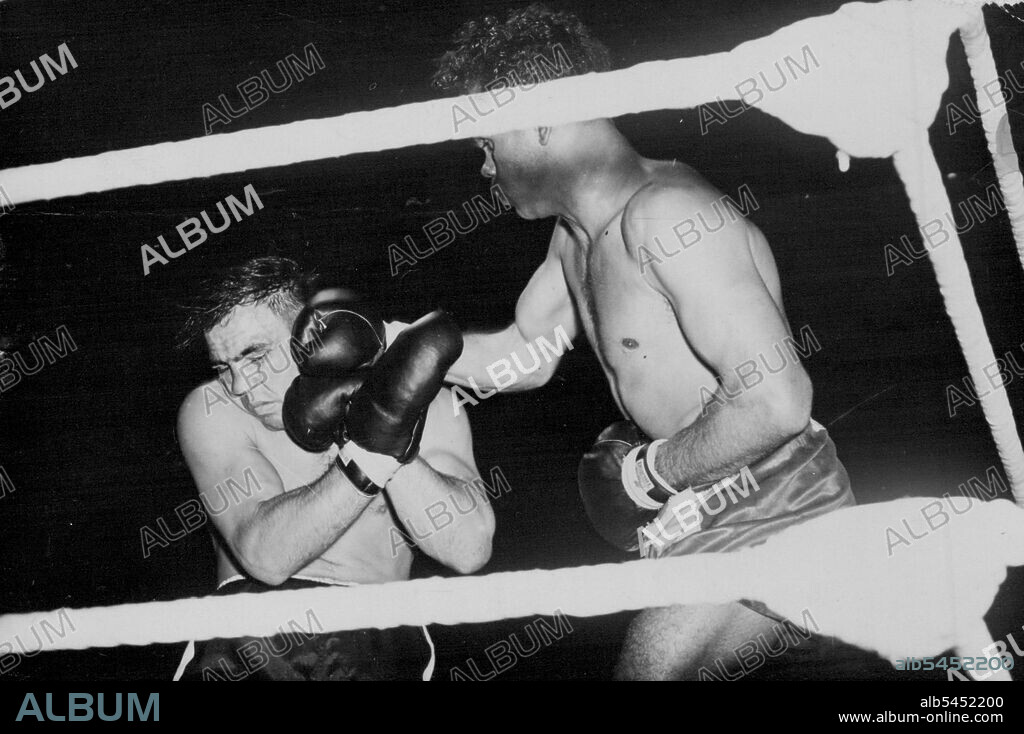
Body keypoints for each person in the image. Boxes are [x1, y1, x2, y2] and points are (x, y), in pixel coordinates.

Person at [432, 5, 855, 680]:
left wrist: (649, 474)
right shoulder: (573, 238)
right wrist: (395, 351)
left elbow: (777, 400)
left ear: (541, 117)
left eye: (486, 143)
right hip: (693, 521)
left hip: (777, 512)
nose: (483, 168)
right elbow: (525, 355)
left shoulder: (669, 216)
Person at [173, 256, 495, 680]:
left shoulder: (427, 401)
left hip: (379, 642)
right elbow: (267, 558)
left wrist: (386, 421)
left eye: (255, 356)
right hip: (251, 641)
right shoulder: (213, 409)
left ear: (314, 331)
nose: (240, 386)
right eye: (223, 366)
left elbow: (469, 549)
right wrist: (370, 453)